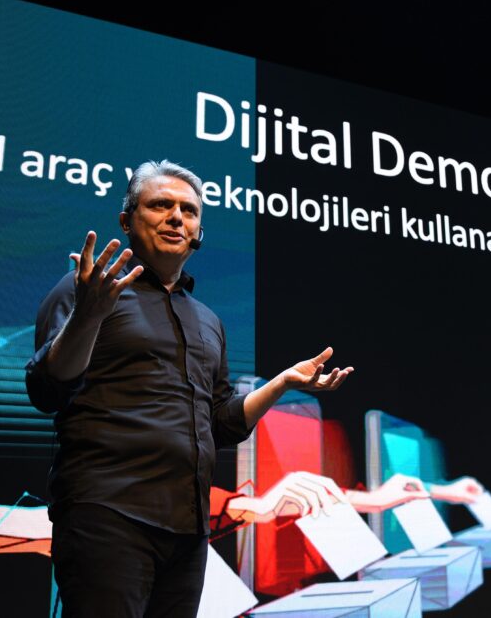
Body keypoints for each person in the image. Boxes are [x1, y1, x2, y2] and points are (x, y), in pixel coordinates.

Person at [25, 160, 352, 618]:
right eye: (161, 205)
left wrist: (281, 383)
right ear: (126, 220)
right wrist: (87, 316)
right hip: (107, 514)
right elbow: (46, 390)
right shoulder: (89, 293)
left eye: (189, 210)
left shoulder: (207, 321)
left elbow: (219, 424)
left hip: (187, 532)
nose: (176, 217)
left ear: (198, 232)